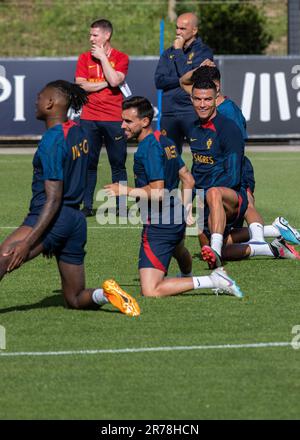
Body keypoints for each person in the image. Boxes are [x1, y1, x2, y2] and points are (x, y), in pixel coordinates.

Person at [0, 80, 140, 317]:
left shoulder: (53, 139)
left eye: (40, 97)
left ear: (51, 103)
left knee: (5, 256)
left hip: (54, 216)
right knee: (75, 297)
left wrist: (29, 242)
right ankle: (105, 294)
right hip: (76, 221)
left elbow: (53, 199)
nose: (36, 101)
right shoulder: (78, 132)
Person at [105, 96, 245, 298]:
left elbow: (158, 192)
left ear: (145, 122)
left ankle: (213, 280)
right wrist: (185, 208)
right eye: (122, 120)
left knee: (151, 290)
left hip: (159, 224)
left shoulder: (148, 149)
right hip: (174, 218)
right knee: (178, 250)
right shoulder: (165, 141)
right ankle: (186, 275)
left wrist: (123, 190)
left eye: (128, 121)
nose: (122, 125)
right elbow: (188, 178)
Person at [180, 65, 300, 248]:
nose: (202, 102)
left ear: (217, 88)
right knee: (210, 239)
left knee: (248, 206)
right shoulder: (200, 107)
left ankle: (259, 241)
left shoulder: (228, 114)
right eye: (197, 97)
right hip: (215, 176)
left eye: (207, 97)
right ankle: (273, 236)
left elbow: (236, 148)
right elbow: (183, 82)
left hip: (236, 167)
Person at [75, 19, 129, 217]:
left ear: (107, 36)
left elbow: (116, 80)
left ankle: (121, 207)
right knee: (88, 162)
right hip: (89, 118)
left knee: (118, 163)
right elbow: (81, 85)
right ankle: (87, 206)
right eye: (90, 35)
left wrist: (103, 59)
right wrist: (106, 83)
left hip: (114, 118)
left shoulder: (121, 57)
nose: (91, 39)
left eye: (95, 35)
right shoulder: (83, 58)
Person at [154, 12, 213, 154]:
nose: (178, 32)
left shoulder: (203, 51)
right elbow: (159, 81)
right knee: (169, 157)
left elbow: (196, 78)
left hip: (191, 111)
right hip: (169, 114)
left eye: (183, 29)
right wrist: (182, 80)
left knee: (201, 154)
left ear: (194, 30)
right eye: (177, 28)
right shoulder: (168, 53)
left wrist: (179, 51)